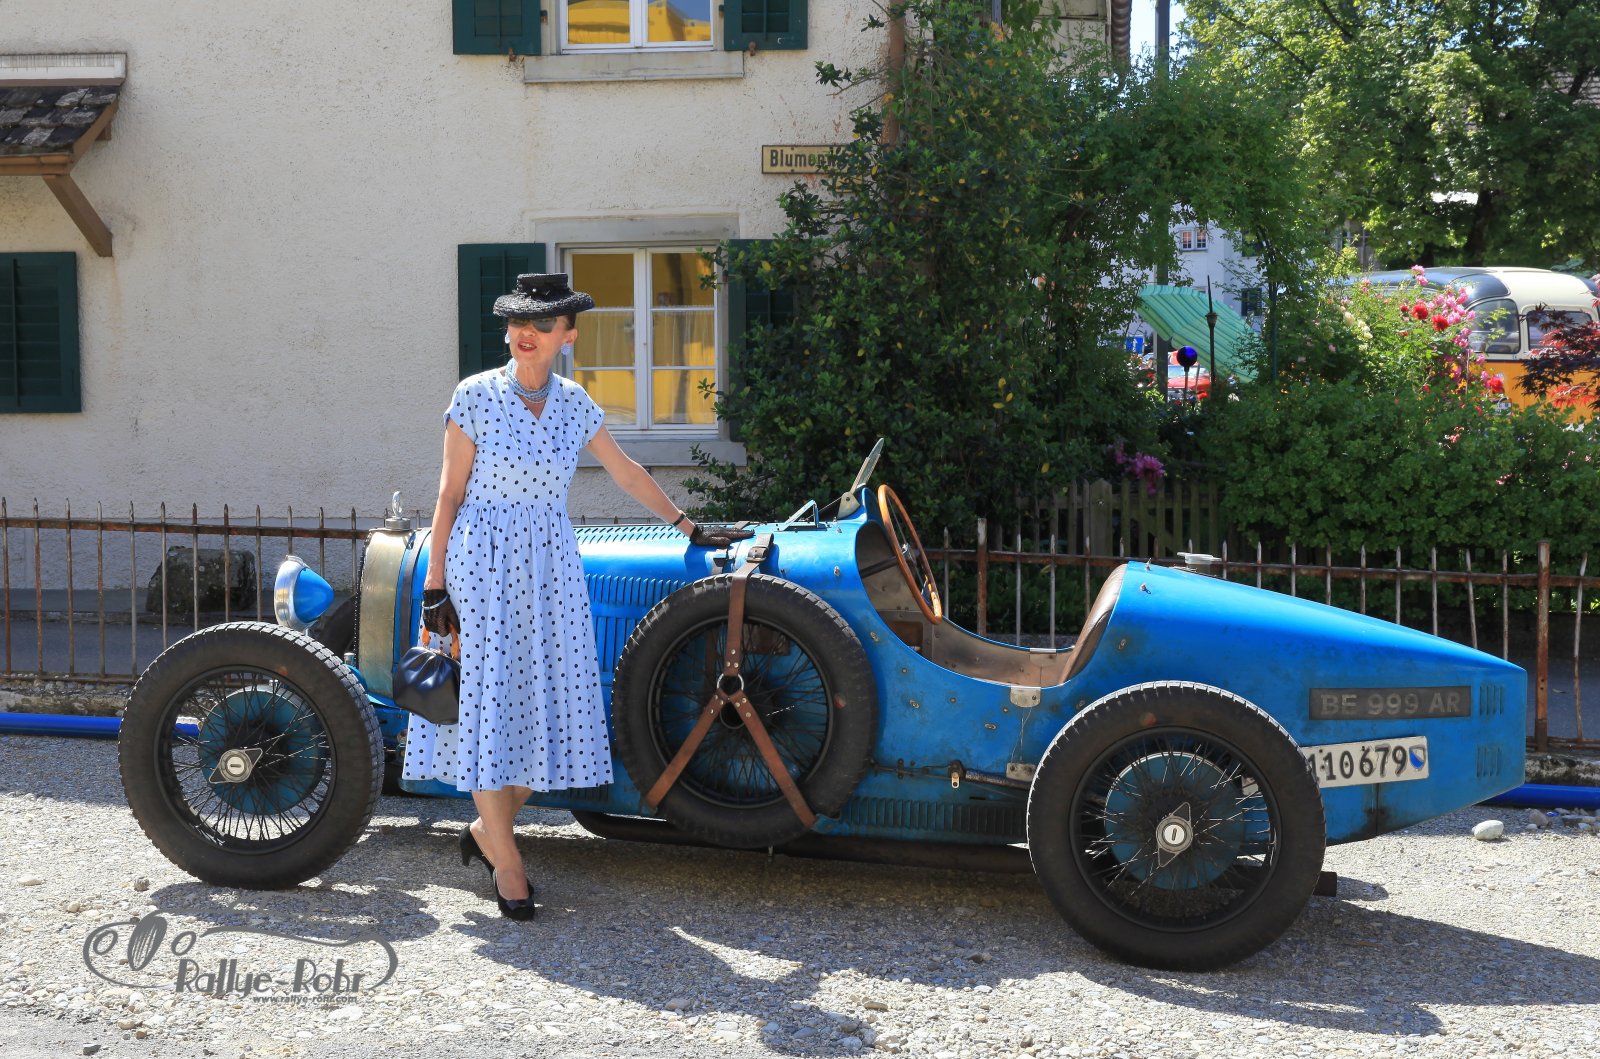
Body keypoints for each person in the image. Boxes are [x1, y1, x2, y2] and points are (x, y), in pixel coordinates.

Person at [402, 272, 749, 920]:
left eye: (541, 323)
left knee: (548, 710)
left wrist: (689, 526)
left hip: (551, 569)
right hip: (482, 565)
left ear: (568, 334)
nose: (524, 333)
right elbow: (449, 494)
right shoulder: (475, 396)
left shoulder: (574, 403)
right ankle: (508, 865)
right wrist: (434, 582)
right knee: (487, 705)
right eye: (516, 322)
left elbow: (626, 472)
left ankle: (485, 832)